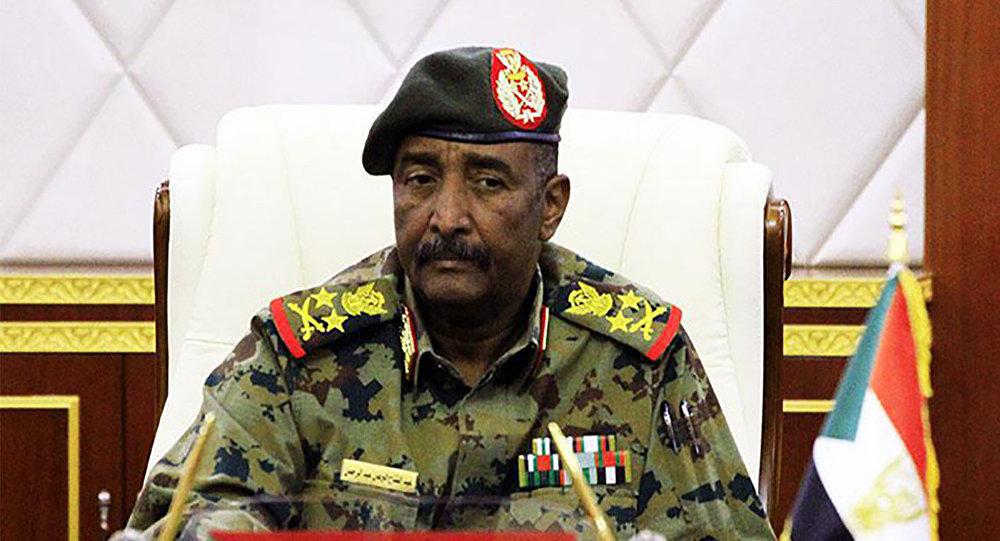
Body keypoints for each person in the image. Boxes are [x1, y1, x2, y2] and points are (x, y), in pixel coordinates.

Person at [128, 46, 775, 540]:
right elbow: (188, 515)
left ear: (550, 207)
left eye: (489, 183)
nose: (446, 217)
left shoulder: (639, 359)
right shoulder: (302, 356)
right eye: (419, 179)